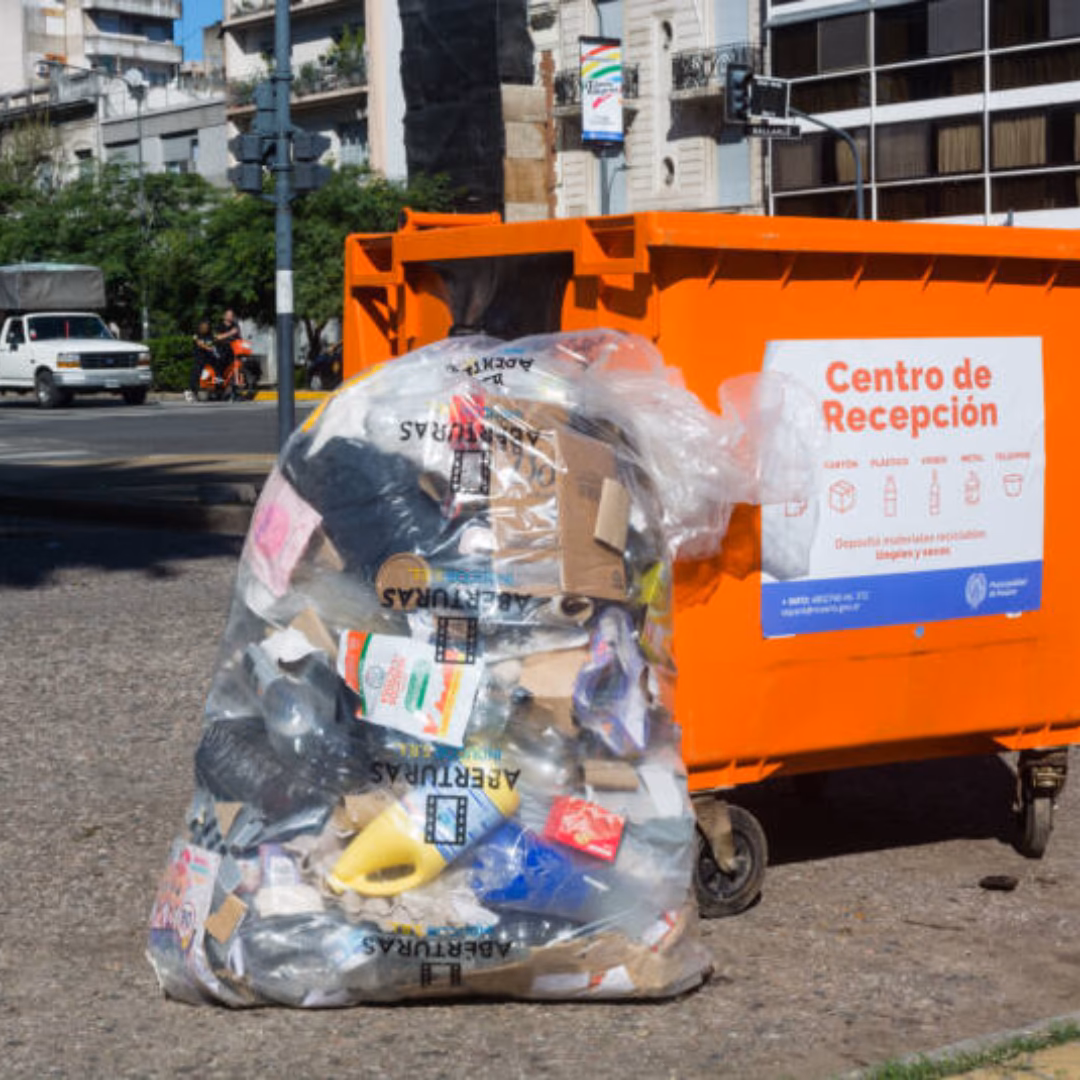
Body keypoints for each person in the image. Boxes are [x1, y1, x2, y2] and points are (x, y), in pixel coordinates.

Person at [186, 320, 218, 402]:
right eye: (203, 326)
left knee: (214, 372)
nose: (205, 328)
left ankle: (213, 392)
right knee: (197, 372)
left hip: (209, 357)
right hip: (199, 357)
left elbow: (215, 341)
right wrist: (207, 347)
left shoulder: (210, 335)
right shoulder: (196, 335)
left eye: (207, 327)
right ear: (200, 327)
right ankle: (191, 391)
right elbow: (199, 343)